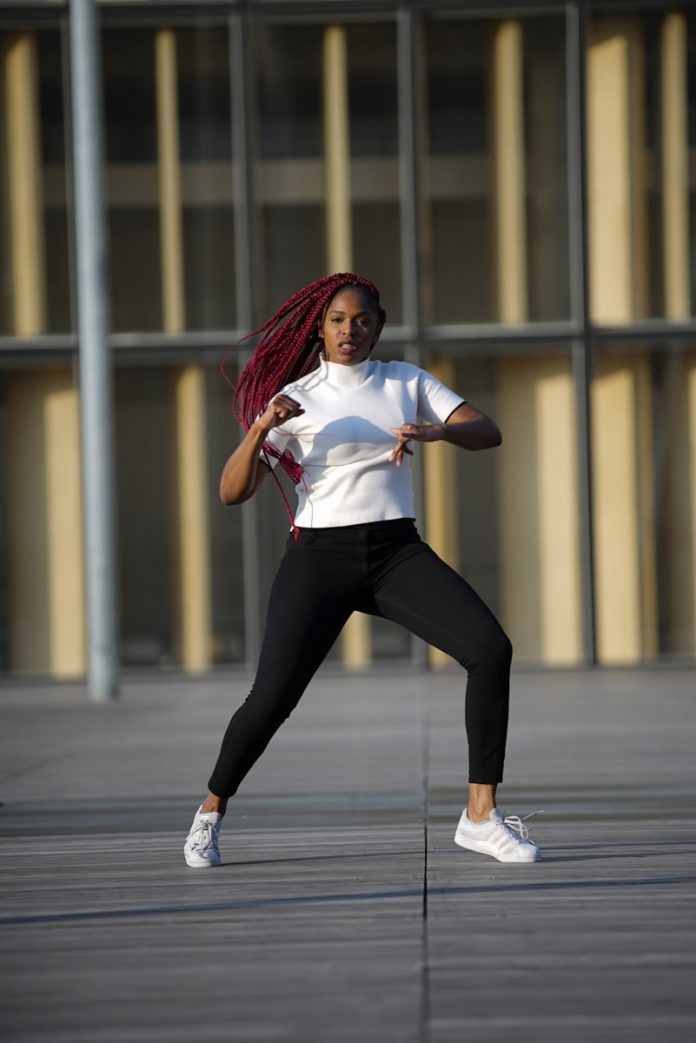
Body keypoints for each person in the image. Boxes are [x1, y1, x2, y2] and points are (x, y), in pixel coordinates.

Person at [184, 273, 541, 868]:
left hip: (396, 553)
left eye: (363, 320)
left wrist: (436, 430)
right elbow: (230, 491)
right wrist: (262, 428)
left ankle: (481, 816)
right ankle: (209, 813)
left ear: (379, 325)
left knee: (490, 649)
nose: (351, 330)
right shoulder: (295, 397)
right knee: (271, 697)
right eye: (338, 320)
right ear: (319, 327)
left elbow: (488, 431)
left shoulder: (407, 381)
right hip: (319, 559)